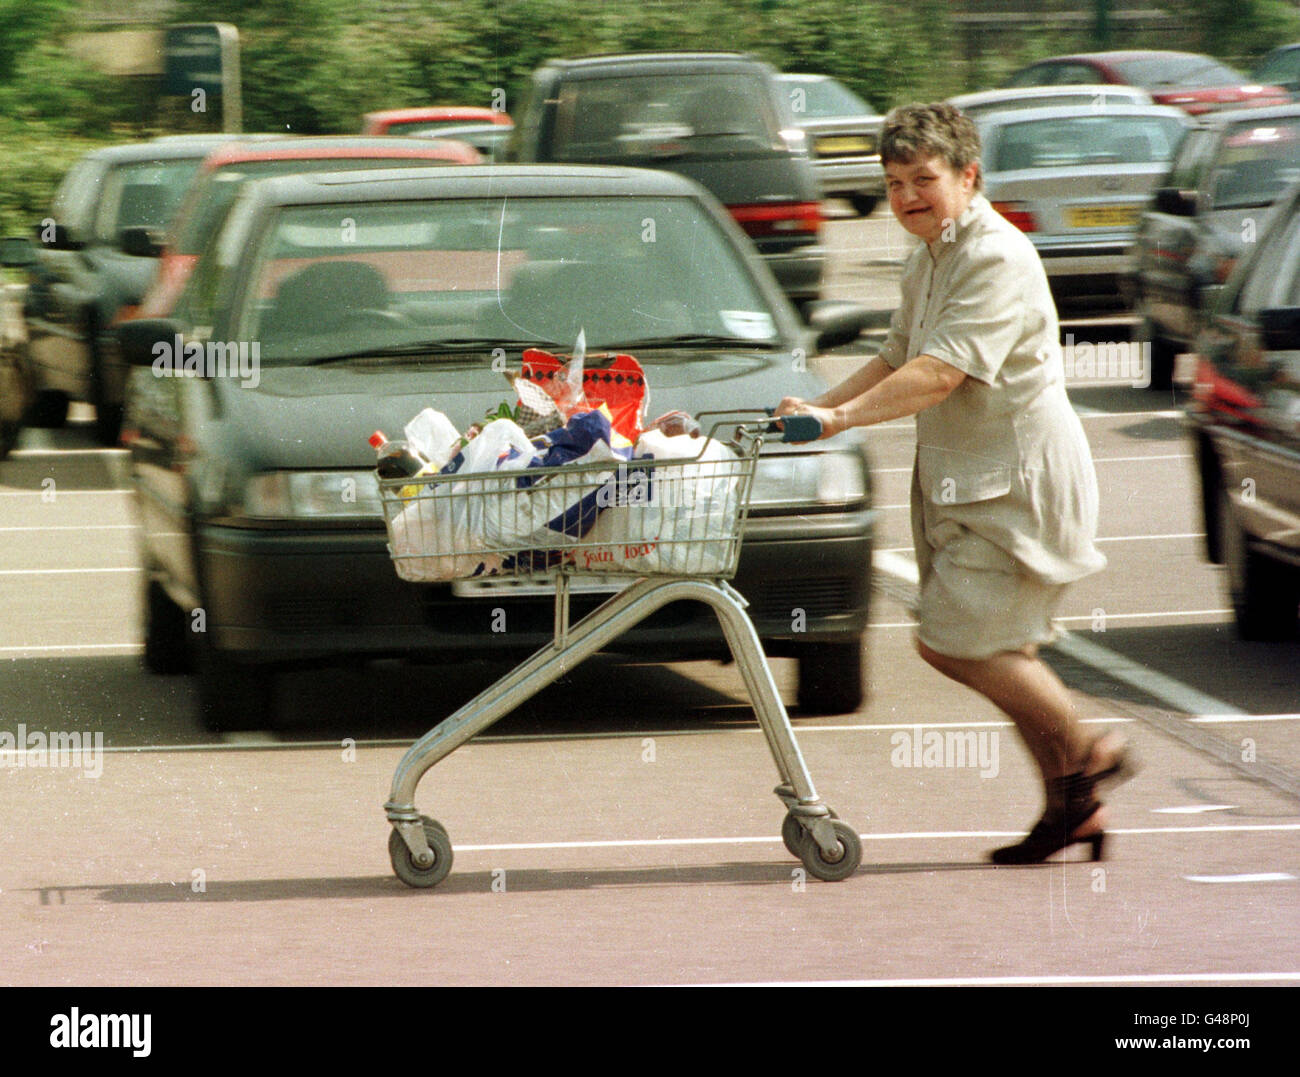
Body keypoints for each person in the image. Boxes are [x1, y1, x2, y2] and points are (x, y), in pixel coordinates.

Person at [776, 102, 1134, 864]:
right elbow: (898, 353)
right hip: (967, 483)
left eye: (925, 179)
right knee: (1000, 645)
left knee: (953, 640)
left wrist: (838, 425)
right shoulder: (931, 252)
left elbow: (938, 374)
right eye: (895, 181)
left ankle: (1088, 752)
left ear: (969, 177)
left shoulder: (994, 256)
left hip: (1019, 484)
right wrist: (821, 403)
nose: (908, 195)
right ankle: (1071, 807)